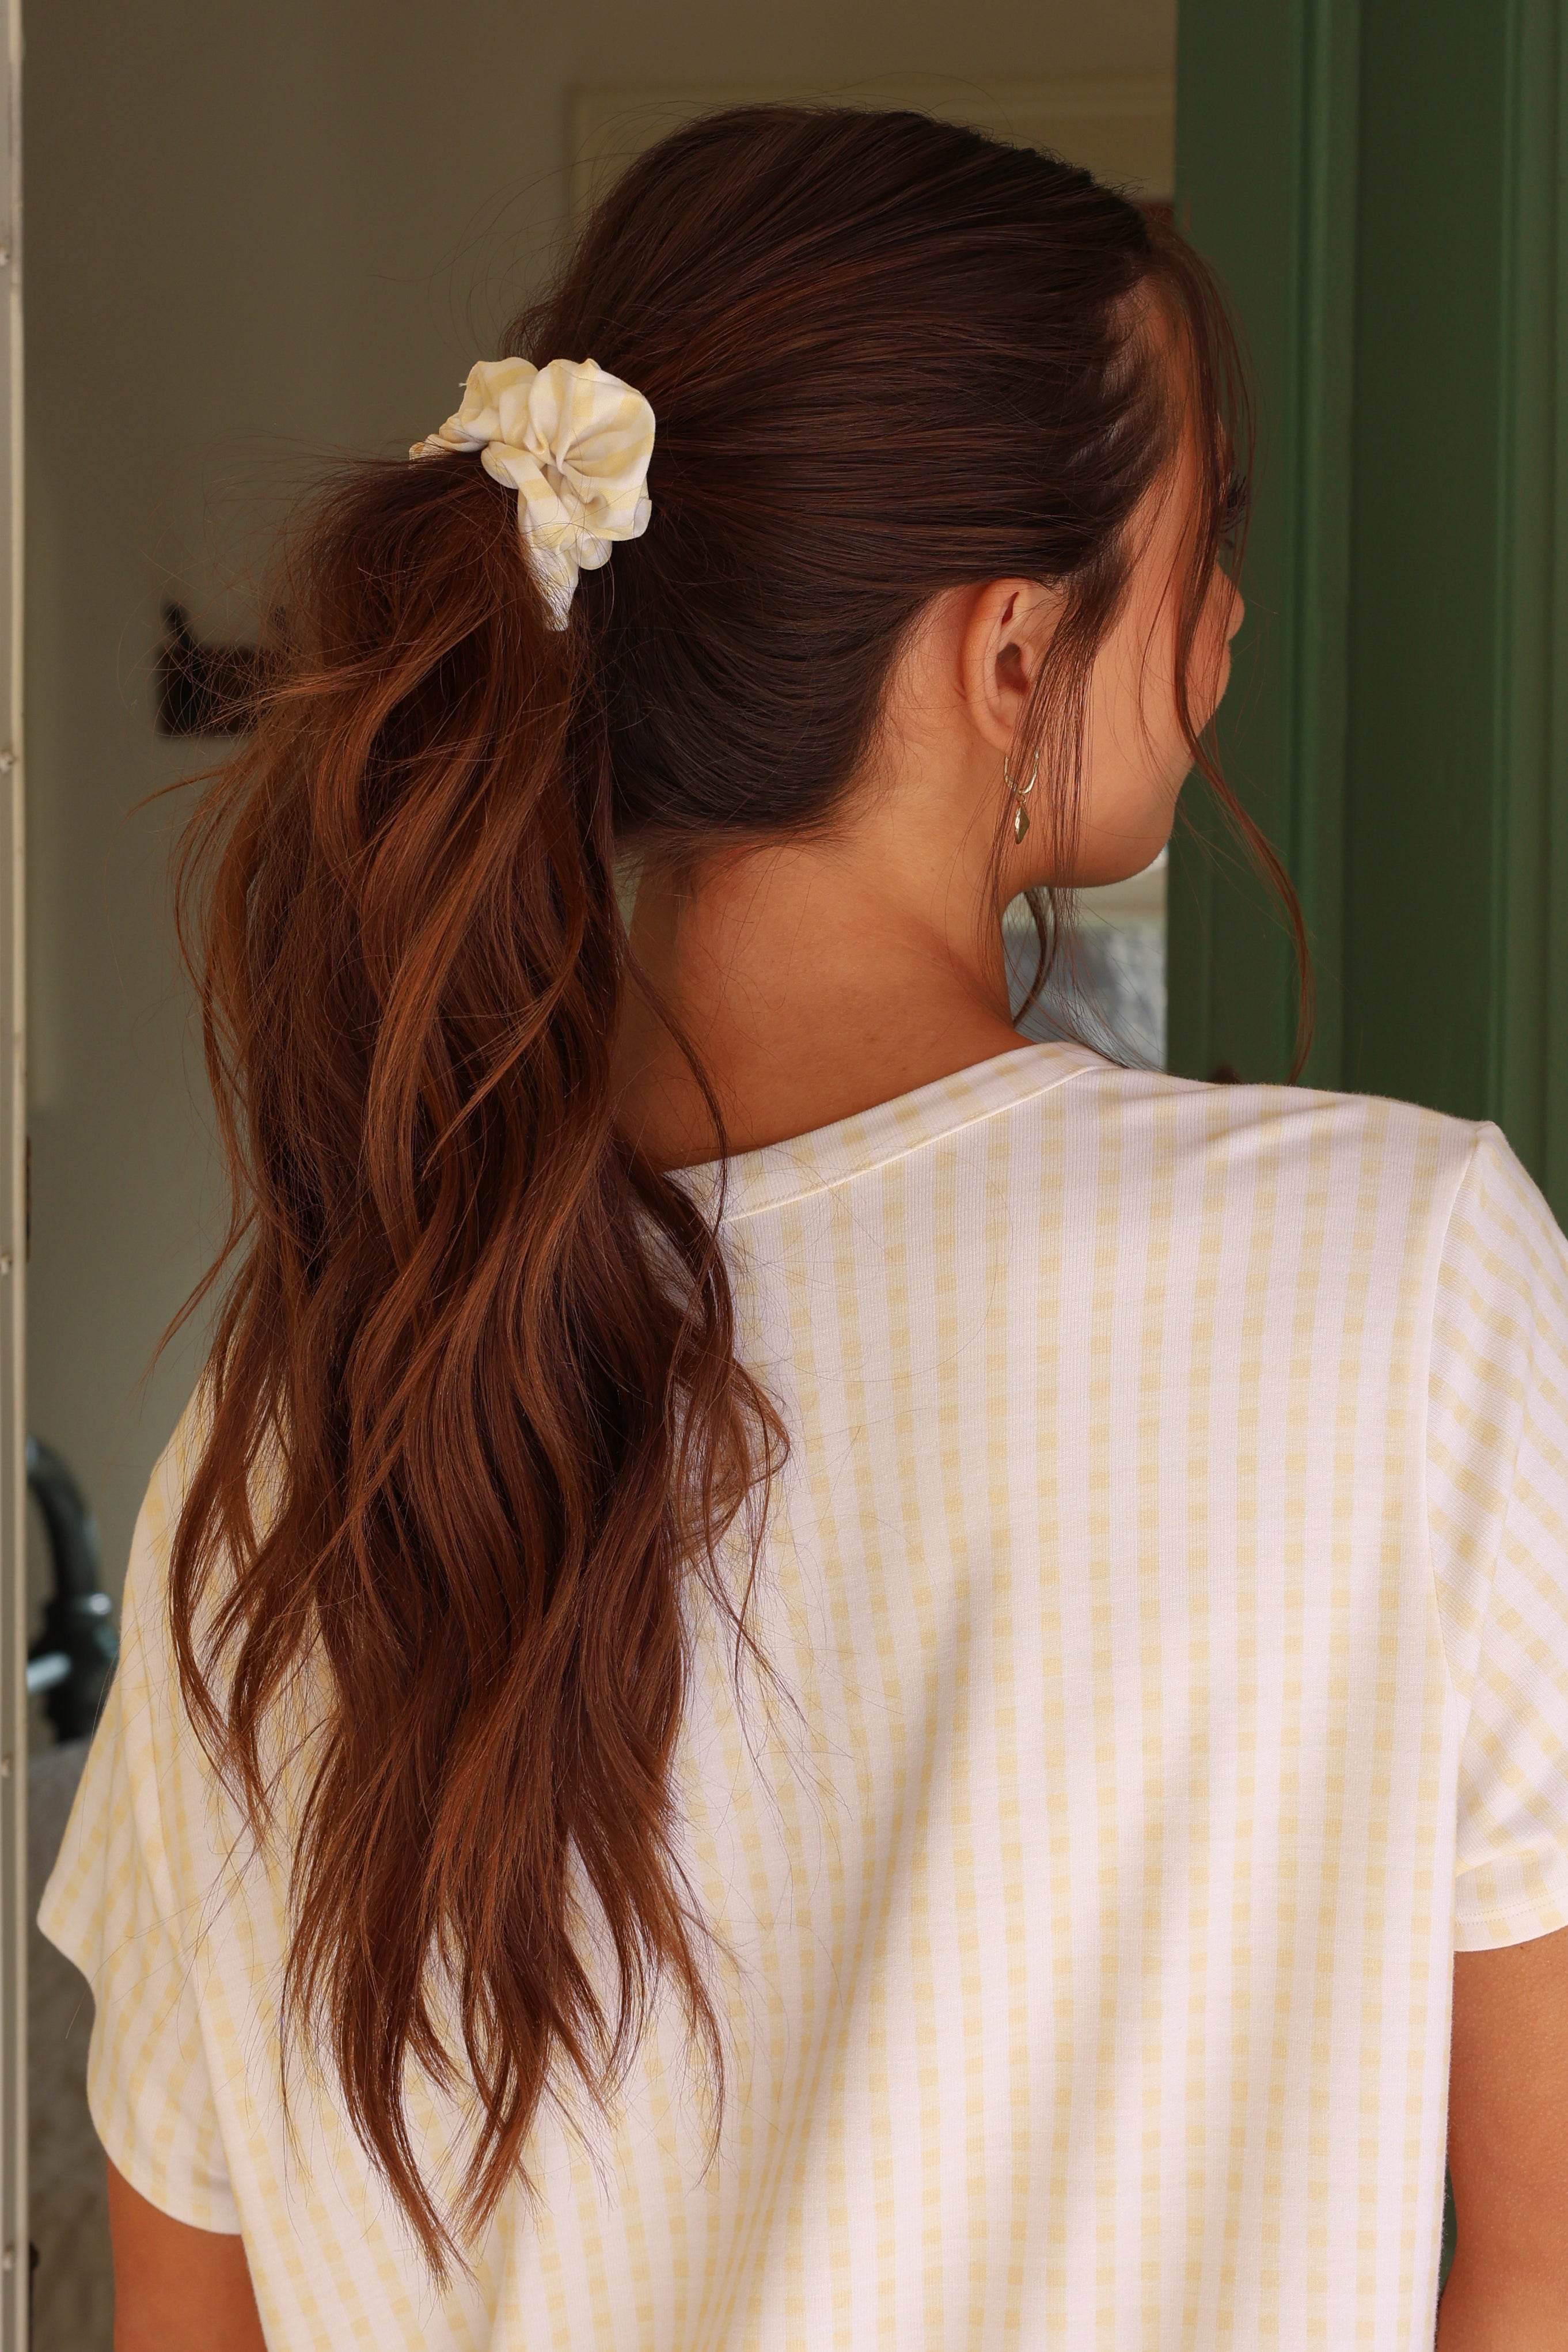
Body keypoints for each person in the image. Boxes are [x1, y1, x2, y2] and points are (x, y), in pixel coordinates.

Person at [40, 105, 1568, 2351]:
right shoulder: (1406, 1288)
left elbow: (193, 2317)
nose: (1230, 611)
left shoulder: (296, 1431)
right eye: (1202, 535)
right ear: (1009, 653)